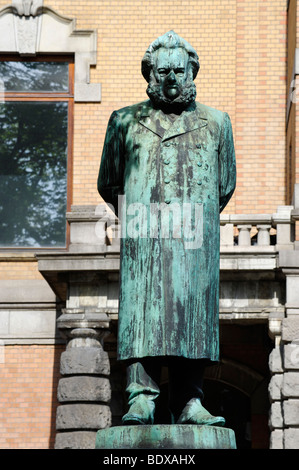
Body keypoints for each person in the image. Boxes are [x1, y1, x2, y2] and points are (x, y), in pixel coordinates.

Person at [98, 31, 236, 425]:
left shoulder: (216, 123)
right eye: (163, 71)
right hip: (144, 241)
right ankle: (141, 396)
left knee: (192, 319)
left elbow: (225, 185)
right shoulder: (124, 121)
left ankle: (191, 401)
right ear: (150, 75)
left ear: (192, 71)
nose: (172, 78)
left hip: (195, 242)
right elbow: (109, 181)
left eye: (179, 70)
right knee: (142, 317)